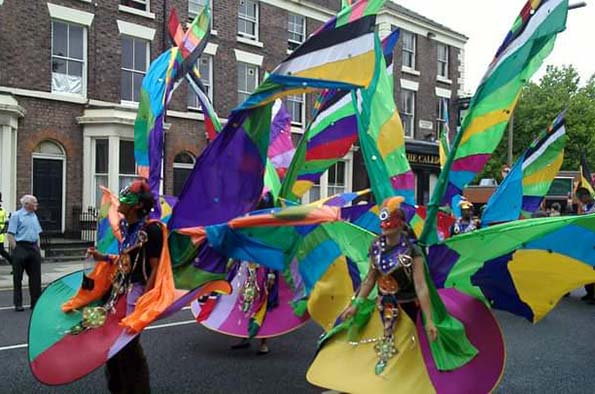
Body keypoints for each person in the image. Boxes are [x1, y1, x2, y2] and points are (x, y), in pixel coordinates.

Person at [339, 196, 437, 374]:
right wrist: (356, 304)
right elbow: (370, 278)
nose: (384, 225)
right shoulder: (376, 246)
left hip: (408, 307)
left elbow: (421, 286)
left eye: (389, 220)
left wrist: (429, 320)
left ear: (400, 224)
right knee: (385, 346)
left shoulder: (412, 251)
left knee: (408, 350)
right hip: (384, 305)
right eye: (383, 220)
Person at [86, 178, 163, 393]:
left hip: (135, 293)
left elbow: (156, 268)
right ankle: (118, 388)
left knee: (127, 346)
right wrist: (102, 257)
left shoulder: (151, 230)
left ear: (138, 205)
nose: (121, 200)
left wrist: (143, 300)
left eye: (127, 197)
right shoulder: (128, 228)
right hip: (119, 290)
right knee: (113, 345)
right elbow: (125, 260)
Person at [7, 194, 42, 312]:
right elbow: (10, 234)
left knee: (36, 278)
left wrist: (38, 248)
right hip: (21, 247)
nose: (37, 204)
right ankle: (18, 304)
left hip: (33, 247)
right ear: (27, 204)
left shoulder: (34, 216)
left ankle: (35, 303)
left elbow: (37, 233)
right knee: (18, 278)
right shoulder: (16, 216)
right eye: (35, 202)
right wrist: (16, 249)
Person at [576, 187, 595, 304]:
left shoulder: (593, 208)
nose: (580, 201)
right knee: (586, 267)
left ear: (585, 196)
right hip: (588, 242)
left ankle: (593, 295)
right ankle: (589, 292)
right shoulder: (585, 207)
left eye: (580, 198)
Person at [0, 193, 11, 265]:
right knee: (2, 251)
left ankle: (15, 263)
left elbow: (6, 222)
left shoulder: (2, 211)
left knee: (1, 251)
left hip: (0, 234)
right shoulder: (3, 210)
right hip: (1, 234)